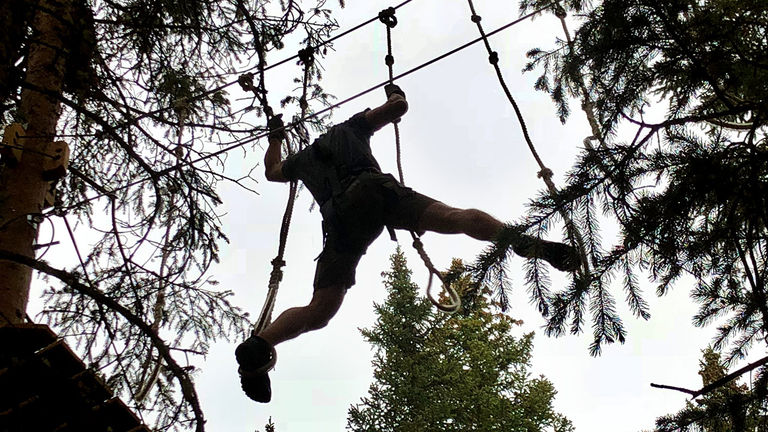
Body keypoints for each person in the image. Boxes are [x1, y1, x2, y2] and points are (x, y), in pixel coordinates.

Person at [236, 84, 578, 403]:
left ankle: (261, 344)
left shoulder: (302, 161)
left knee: (321, 309)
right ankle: (518, 240)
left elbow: (272, 171)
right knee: (452, 218)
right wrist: (394, 93)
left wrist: (275, 139)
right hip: (375, 191)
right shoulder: (351, 128)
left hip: (341, 219)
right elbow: (398, 106)